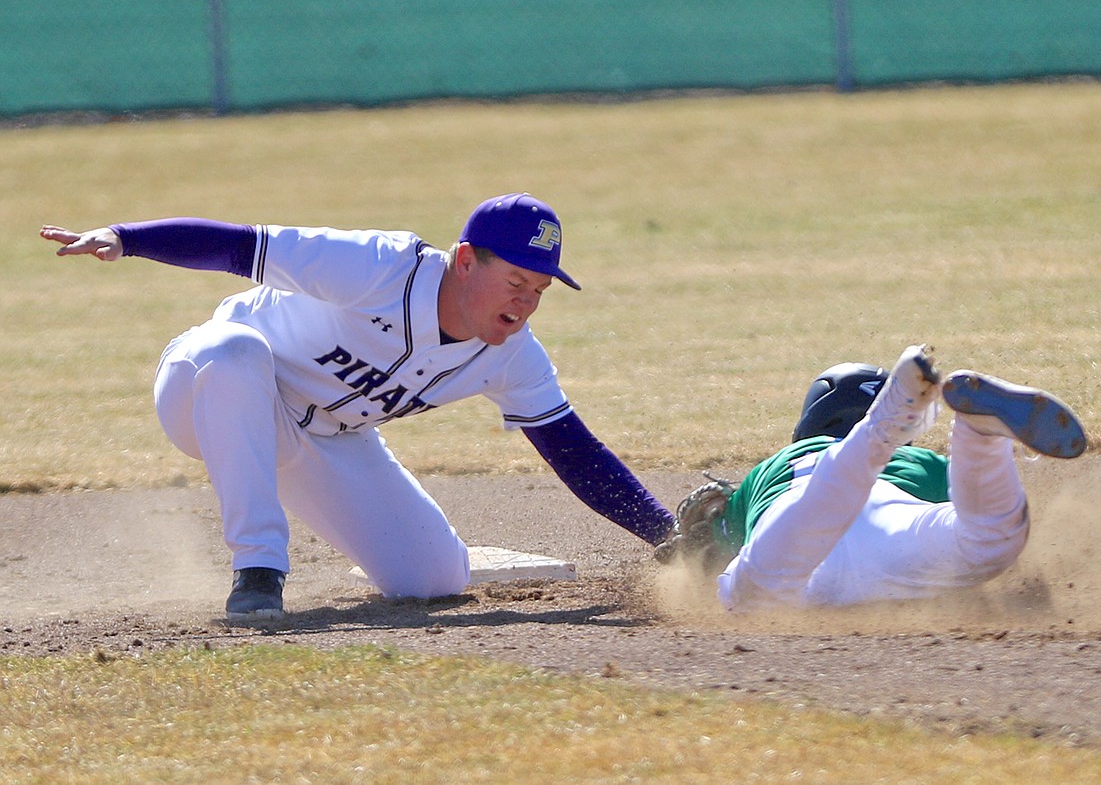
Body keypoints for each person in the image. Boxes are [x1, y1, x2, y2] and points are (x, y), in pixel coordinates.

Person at [41, 193, 676, 620]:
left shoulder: (510, 353)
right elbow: (239, 246)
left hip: (324, 441)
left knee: (433, 579)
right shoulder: (379, 267)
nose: (525, 303)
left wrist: (668, 537)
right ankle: (258, 568)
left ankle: (328, 557)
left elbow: (573, 450)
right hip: (208, 392)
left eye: (538, 290)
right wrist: (125, 238)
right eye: (514, 281)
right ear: (463, 261)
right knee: (236, 350)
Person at [658, 344, 1086, 610]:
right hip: (893, 540)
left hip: (803, 514)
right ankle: (979, 435)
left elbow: (710, 548)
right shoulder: (922, 463)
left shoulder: (773, 466)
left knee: (754, 595)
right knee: (989, 541)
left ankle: (881, 428)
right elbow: (975, 517)